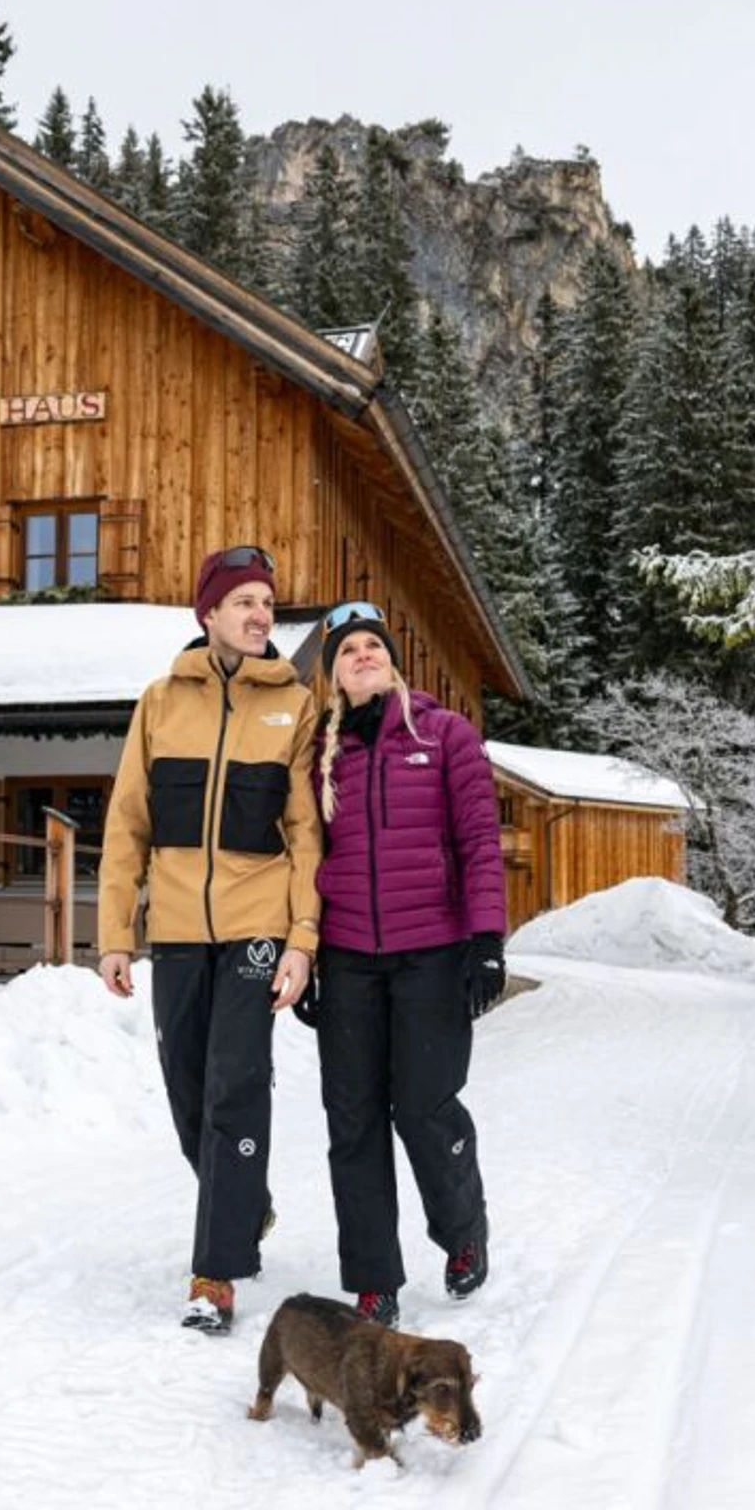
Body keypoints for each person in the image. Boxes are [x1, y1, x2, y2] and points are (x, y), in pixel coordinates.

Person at [98, 546, 322, 1334]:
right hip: (180, 930)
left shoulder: (294, 706)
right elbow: (128, 821)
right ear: (209, 615)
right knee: (185, 1084)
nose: (262, 614)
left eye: (267, 601)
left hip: (258, 924)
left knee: (235, 1080)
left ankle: (215, 1272)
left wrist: (301, 938)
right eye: (245, 602)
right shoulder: (160, 703)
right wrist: (114, 932)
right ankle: (245, 1201)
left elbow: (304, 832)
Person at [303, 600, 506, 1328]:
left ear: (391, 660)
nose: (363, 655)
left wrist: (486, 940)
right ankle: (373, 1279)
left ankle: (462, 1232)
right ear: (333, 673)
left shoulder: (445, 735)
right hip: (349, 961)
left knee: (423, 1106)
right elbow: (305, 861)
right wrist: (306, 956)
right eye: (348, 648)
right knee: (352, 1119)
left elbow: (481, 842)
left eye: (373, 645)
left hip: (433, 956)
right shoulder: (322, 755)